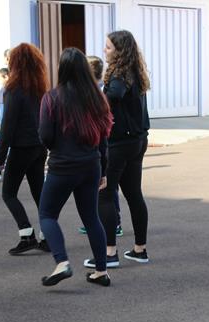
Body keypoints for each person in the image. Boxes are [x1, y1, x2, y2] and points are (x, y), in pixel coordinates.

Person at [39, 48, 113, 287]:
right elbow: (103, 138)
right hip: (91, 165)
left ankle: (62, 262)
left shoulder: (51, 98)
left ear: (62, 69)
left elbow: (45, 136)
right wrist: (103, 170)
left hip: (62, 166)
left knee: (47, 214)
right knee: (91, 217)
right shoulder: (97, 98)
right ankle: (101, 271)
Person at [84, 30, 150, 270]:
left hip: (120, 143)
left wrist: (91, 99)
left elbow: (113, 96)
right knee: (133, 194)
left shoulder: (120, 73)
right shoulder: (135, 71)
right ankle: (140, 250)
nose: (105, 50)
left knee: (104, 194)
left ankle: (110, 253)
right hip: (137, 140)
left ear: (120, 51)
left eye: (109, 47)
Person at [0, 43, 50, 255]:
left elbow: (7, 127)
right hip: (39, 146)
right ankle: (47, 236)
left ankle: (27, 234)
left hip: (21, 147)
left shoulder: (13, 90)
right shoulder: (41, 88)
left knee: (9, 193)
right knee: (39, 193)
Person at [78, 55, 123, 237]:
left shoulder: (98, 94)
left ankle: (115, 222)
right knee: (98, 187)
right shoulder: (96, 91)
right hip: (98, 145)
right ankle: (97, 221)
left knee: (106, 187)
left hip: (101, 145)